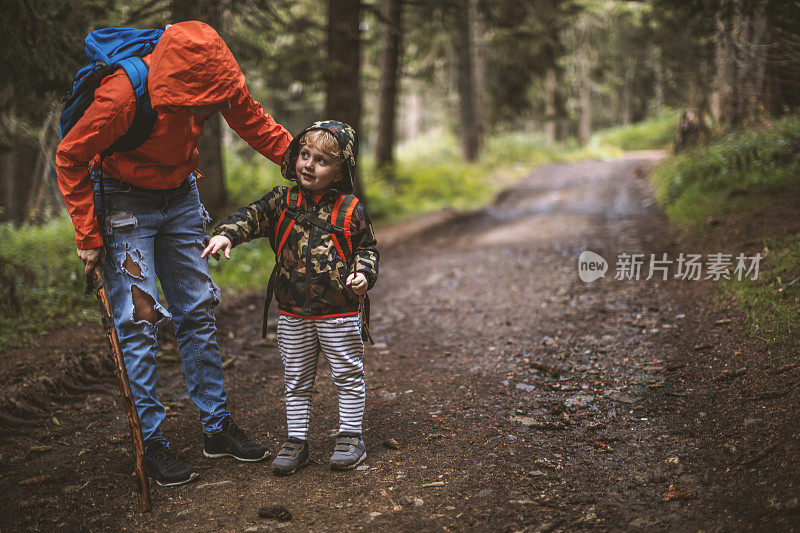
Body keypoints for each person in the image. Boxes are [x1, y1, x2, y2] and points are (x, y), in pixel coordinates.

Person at [55, 21, 293, 486]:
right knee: (140, 320)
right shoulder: (123, 96)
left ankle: (216, 427)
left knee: (198, 309)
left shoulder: (213, 79)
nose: (209, 110)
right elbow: (69, 156)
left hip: (181, 196)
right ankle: (152, 441)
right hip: (122, 201)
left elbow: (255, 124)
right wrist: (88, 235)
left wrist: (305, 163)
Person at [202, 120, 379, 474]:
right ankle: (296, 441)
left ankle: (351, 436)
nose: (308, 165)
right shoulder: (281, 201)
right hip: (293, 312)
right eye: (303, 154)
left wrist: (364, 274)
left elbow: (367, 248)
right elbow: (250, 217)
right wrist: (226, 235)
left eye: (321, 161)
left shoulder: (350, 208)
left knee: (346, 374)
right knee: (296, 378)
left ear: (340, 168)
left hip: (339, 312)